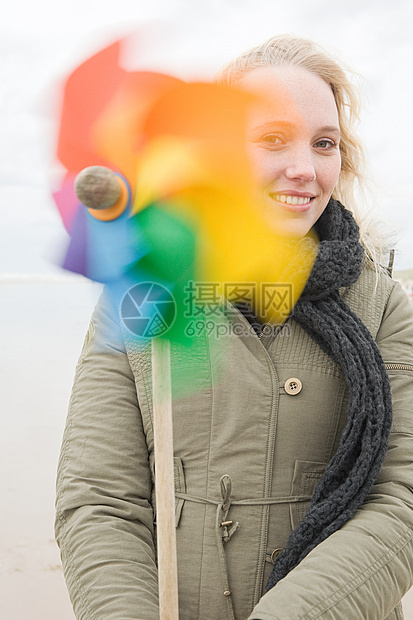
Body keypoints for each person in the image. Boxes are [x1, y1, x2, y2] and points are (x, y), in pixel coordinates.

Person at [55, 34, 413, 619]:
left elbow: (402, 499)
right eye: (273, 139)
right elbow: (99, 499)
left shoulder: (381, 306)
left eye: (324, 143)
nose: (304, 169)